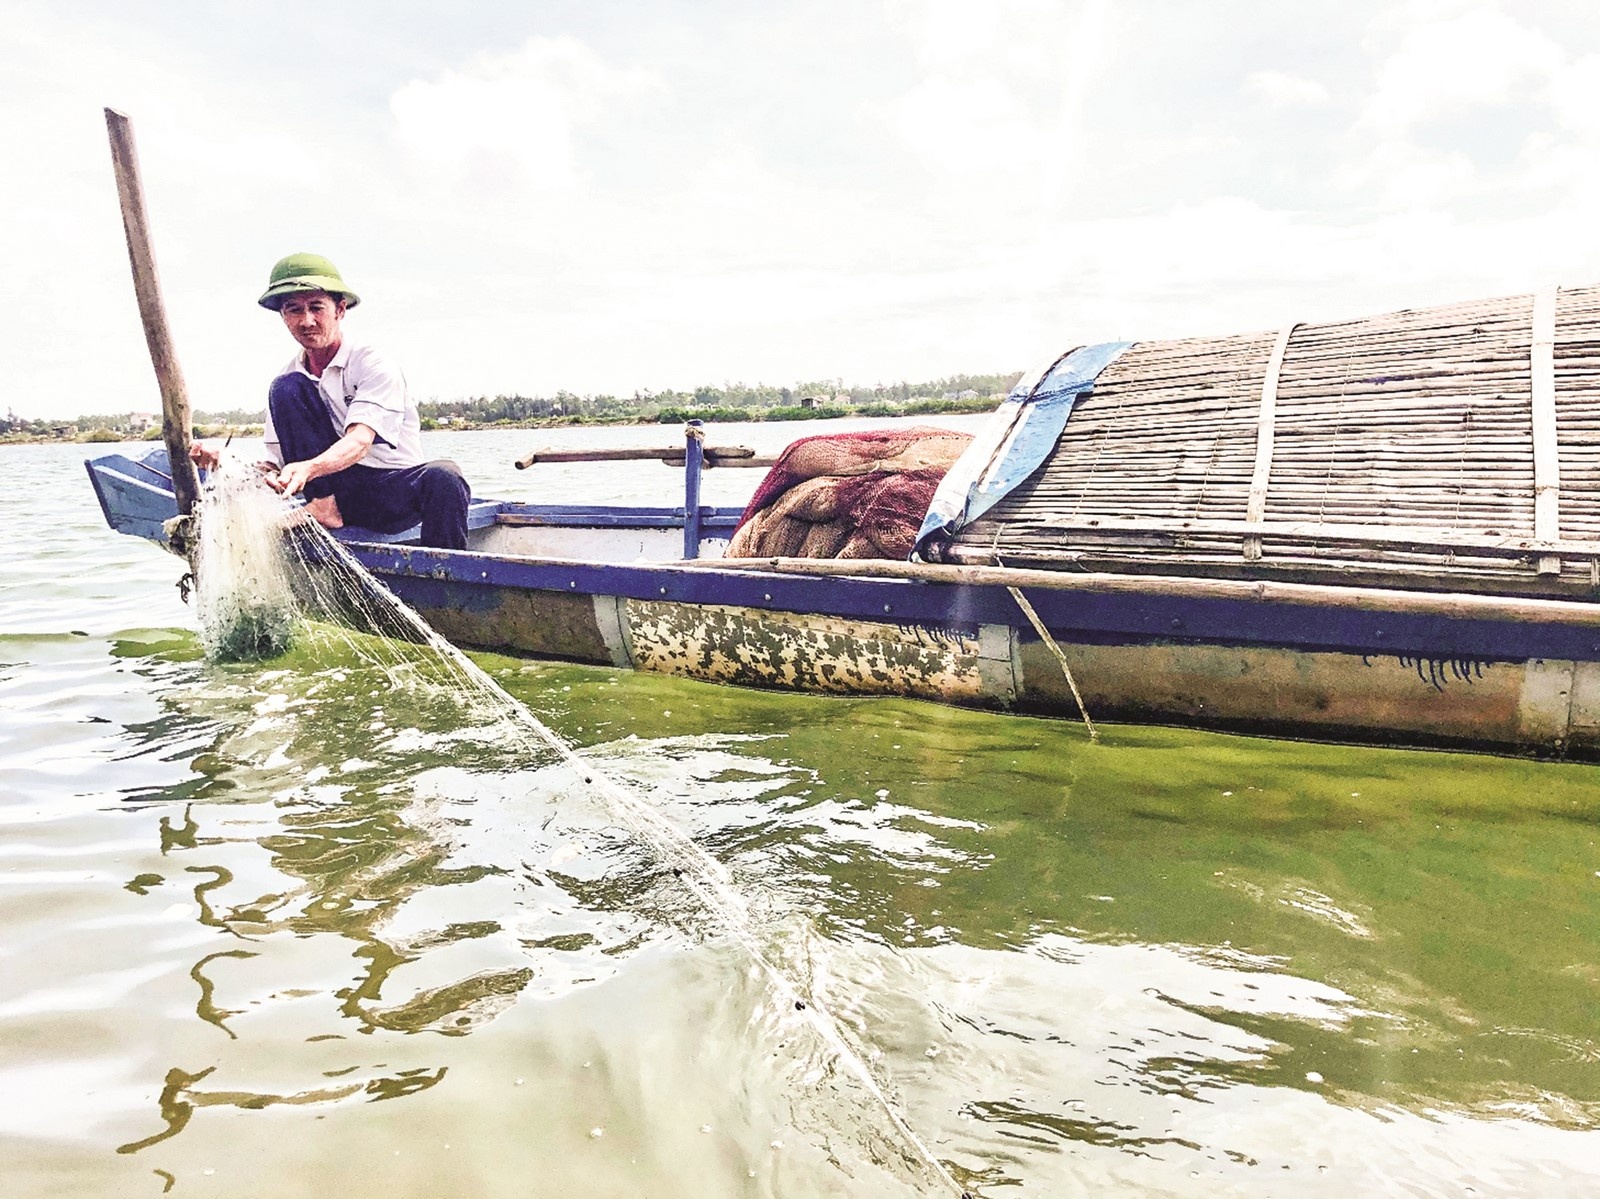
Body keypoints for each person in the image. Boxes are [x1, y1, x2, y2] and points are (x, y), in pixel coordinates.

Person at [191, 253, 471, 550]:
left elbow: (360, 440)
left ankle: (446, 572)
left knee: (445, 477)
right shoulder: (288, 380)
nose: (307, 321)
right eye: (294, 310)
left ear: (340, 310)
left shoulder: (372, 363)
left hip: (388, 491)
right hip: (331, 493)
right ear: (283, 317)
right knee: (285, 388)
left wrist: (309, 469)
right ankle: (323, 507)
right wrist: (227, 465)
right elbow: (276, 468)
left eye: (316, 307)